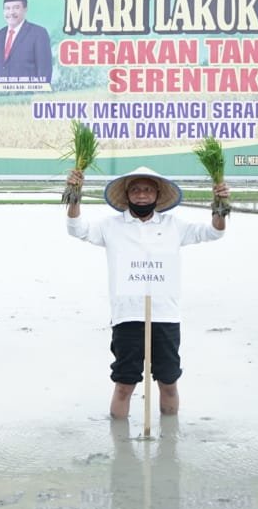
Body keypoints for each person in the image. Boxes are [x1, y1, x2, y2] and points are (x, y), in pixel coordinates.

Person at [65, 166, 229, 418]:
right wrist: (74, 193)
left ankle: (169, 447)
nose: (142, 195)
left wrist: (220, 202)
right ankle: (121, 449)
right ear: (128, 194)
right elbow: (77, 229)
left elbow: (214, 232)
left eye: (148, 190)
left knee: (169, 383)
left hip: (165, 316)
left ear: (157, 194)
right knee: (124, 386)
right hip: (127, 316)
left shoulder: (174, 225)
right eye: (136, 189)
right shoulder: (111, 226)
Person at [0, 0, 53, 83]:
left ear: (25, 9)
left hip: (27, 96)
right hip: (0, 96)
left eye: (16, 8)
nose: (11, 12)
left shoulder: (38, 33)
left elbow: (44, 73)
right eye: (7, 8)